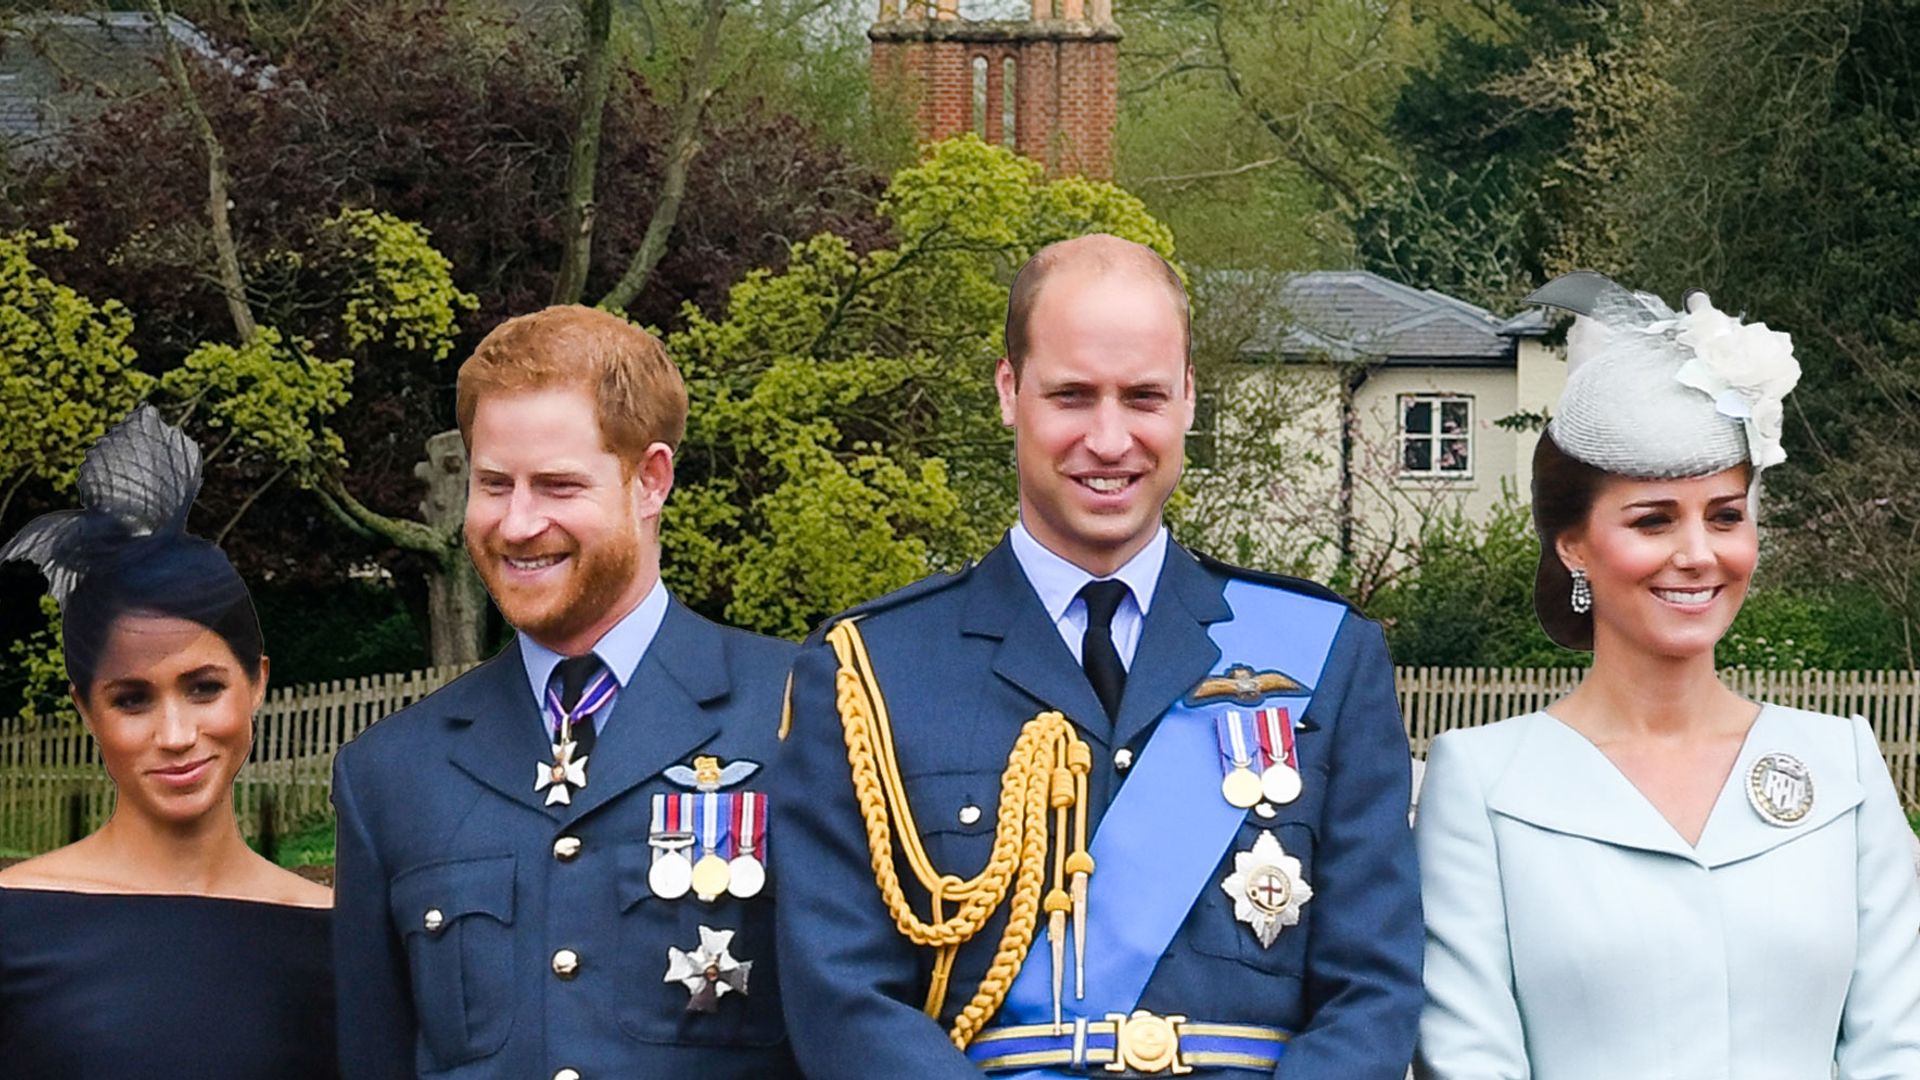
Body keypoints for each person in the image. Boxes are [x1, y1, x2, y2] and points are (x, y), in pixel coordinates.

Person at [775, 234, 1422, 1079]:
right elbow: (840, 998)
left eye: (1144, 397)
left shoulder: (1325, 656)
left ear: (1190, 398)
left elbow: (1374, 992)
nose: (1110, 440)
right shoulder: (870, 672)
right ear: (1010, 392)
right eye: (1073, 396)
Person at [1415, 272, 1920, 1079]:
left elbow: (1901, 1045)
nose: (1697, 553)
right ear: (1574, 546)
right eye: (1653, 519)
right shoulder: (1481, 781)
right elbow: (1470, 1055)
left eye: (1725, 515)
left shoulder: (1844, 766)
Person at [331, 305, 802, 1079]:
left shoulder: (801, 716)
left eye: (555, 485)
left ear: (650, 481)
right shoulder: (389, 776)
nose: (517, 524)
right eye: (493, 485)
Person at [0, 405, 336, 1079]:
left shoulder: (341, 936)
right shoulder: (13, 925)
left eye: (204, 687)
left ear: (257, 682)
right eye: (132, 699)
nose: (177, 736)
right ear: (86, 710)